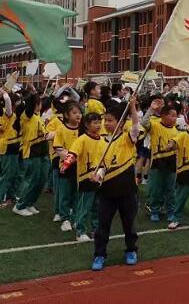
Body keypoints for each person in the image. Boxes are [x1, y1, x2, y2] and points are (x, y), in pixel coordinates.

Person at [90, 98, 141, 271]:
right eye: (105, 120)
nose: (106, 123)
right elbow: (101, 166)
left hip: (127, 191)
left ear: (120, 121)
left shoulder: (127, 138)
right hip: (107, 193)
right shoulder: (101, 143)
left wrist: (133, 107)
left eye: (110, 120)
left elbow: (136, 127)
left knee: (129, 224)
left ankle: (131, 250)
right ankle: (99, 254)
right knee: (102, 226)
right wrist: (97, 176)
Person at [63, 112, 105, 241]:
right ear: (87, 125)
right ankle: (80, 231)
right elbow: (73, 153)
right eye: (95, 122)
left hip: (98, 178)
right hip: (85, 178)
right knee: (84, 206)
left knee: (97, 207)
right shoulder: (82, 139)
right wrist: (66, 164)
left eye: (99, 122)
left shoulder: (103, 140)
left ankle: (95, 229)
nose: (98, 125)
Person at [142, 99, 179, 222]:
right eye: (172, 115)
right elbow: (144, 122)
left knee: (170, 190)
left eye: (176, 116)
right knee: (155, 189)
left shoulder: (176, 130)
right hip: (157, 163)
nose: (175, 118)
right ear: (163, 116)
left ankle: (170, 211)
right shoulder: (155, 125)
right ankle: (154, 210)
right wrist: (151, 109)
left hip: (172, 163)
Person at [14, 91, 51, 217]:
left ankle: (30, 203)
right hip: (32, 151)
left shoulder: (37, 116)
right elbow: (27, 107)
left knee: (42, 180)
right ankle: (20, 206)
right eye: (39, 102)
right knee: (32, 179)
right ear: (35, 104)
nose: (41, 105)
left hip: (43, 150)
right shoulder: (26, 115)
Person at [51, 102, 82, 232]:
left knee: (76, 193)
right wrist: (71, 158)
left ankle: (74, 217)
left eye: (79, 112)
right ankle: (64, 218)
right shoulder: (61, 130)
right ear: (66, 115)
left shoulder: (83, 129)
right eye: (74, 113)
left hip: (80, 168)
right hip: (66, 166)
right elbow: (58, 148)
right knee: (64, 193)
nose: (78, 115)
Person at [0, 91, 21, 209]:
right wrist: (5, 93)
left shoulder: (16, 115)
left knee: (13, 173)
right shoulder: (9, 113)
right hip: (8, 146)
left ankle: (11, 197)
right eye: (18, 102)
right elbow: (8, 101)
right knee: (6, 174)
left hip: (14, 146)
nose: (20, 104)